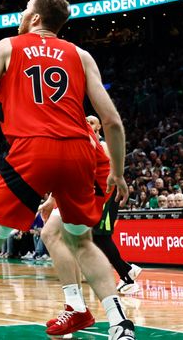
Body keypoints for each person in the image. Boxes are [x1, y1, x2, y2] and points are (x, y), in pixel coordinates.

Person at [0, 0, 135, 340]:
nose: (21, 14)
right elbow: (112, 122)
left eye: (25, 9)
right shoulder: (81, 56)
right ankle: (120, 323)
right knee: (82, 242)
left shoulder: (7, 47)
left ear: (35, 18)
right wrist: (118, 173)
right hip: (80, 151)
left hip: (33, 150)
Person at [39, 115, 143, 337]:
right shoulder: (70, 128)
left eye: (94, 122)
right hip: (78, 182)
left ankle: (103, 301)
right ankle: (81, 307)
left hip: (95, 188)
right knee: (65, 239)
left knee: (83, 239)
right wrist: (52, 199)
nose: (91, 123)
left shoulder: (98, 142)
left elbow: (96, 165)